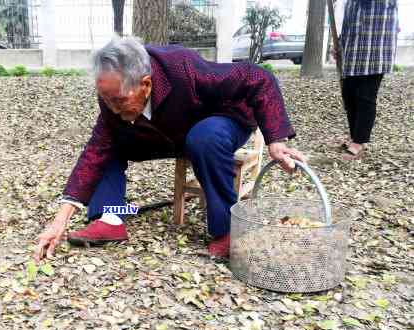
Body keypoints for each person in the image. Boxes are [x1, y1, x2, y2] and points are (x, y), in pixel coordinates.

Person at [34, 36, 305, 262]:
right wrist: (61, 220)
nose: (112, 108)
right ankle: (110, 217)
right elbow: (95, 151)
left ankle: (226, 232)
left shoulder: (182, 67)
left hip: (217, 123)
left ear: (146, 84)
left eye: (117, 100)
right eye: (105, 100)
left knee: (204, 138)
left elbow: (257, 77)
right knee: (108, 143)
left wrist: (276, 139)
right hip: (163, 132)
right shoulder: (114, 98)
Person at [335, 0, 399, 160]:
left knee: (365, 95)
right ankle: (355, 137)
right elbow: (350, 20)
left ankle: (359, 142)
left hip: (375, 46)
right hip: (353, 47)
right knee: (349, 94)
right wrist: (341, 43)